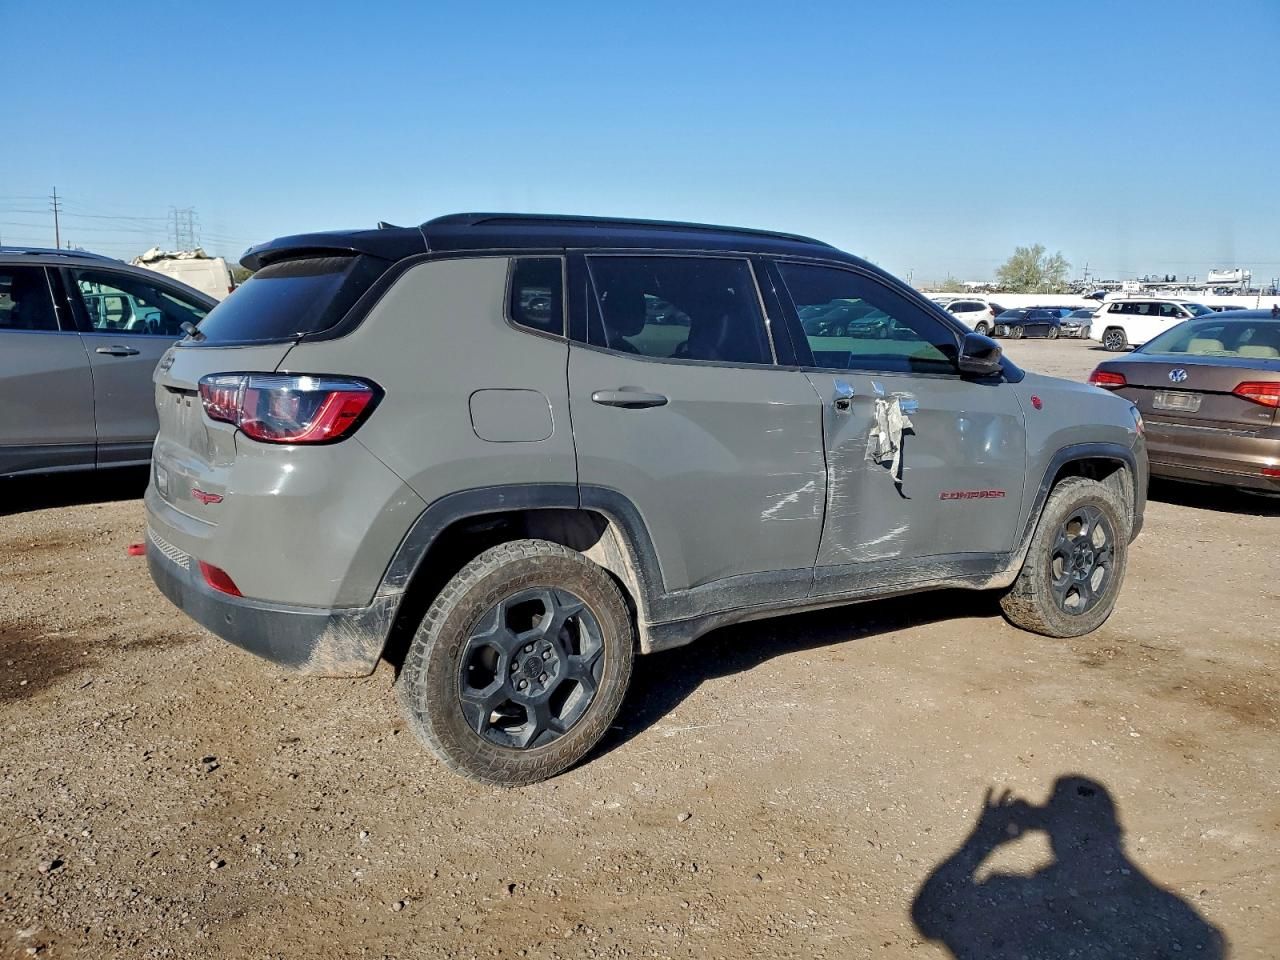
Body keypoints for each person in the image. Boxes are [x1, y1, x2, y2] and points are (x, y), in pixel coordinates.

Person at [911, 777, 1225, 959]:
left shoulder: (1016, 899)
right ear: (1114, 831)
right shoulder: (1173, 917)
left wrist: (981, 841)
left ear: (1050, 830)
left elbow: (929, 914)